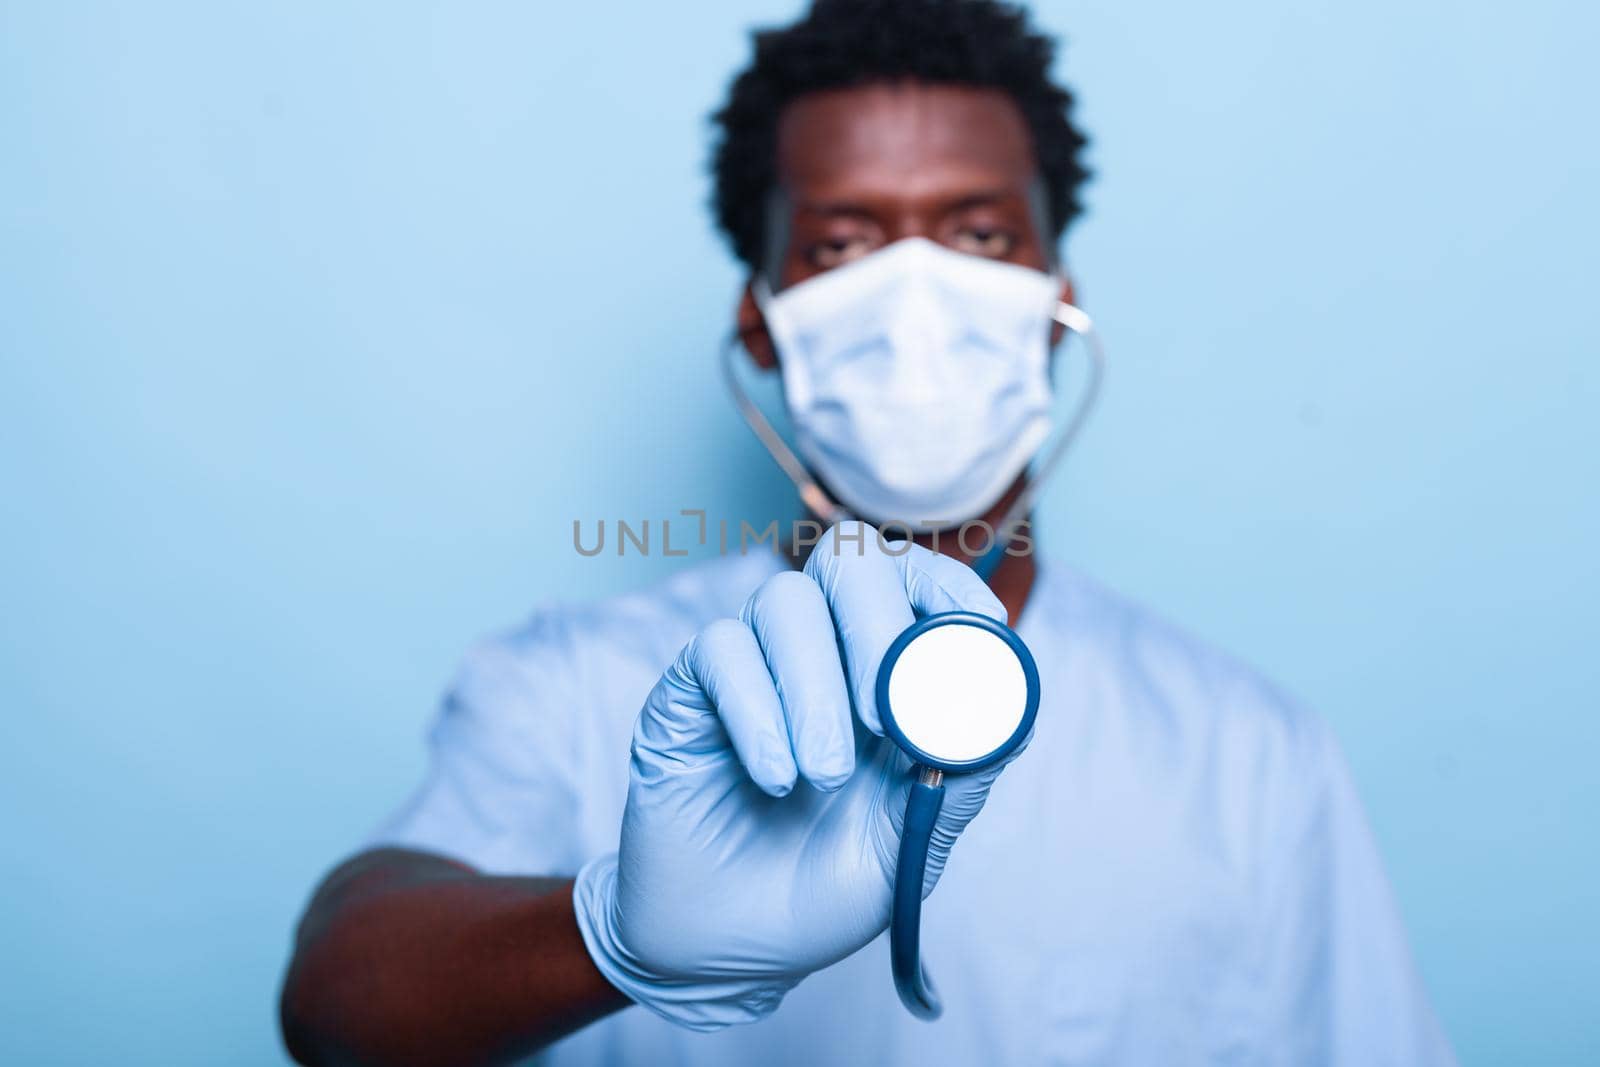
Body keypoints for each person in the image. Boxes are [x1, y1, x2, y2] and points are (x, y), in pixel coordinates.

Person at [278, 2, 1455, 1064]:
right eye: (840, 246)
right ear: (761, 323)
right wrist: (613, 935)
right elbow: (335, 1000)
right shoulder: (572, 687)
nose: (916, 300)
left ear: (1056, 300)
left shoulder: (1245, 752)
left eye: (982, 237)